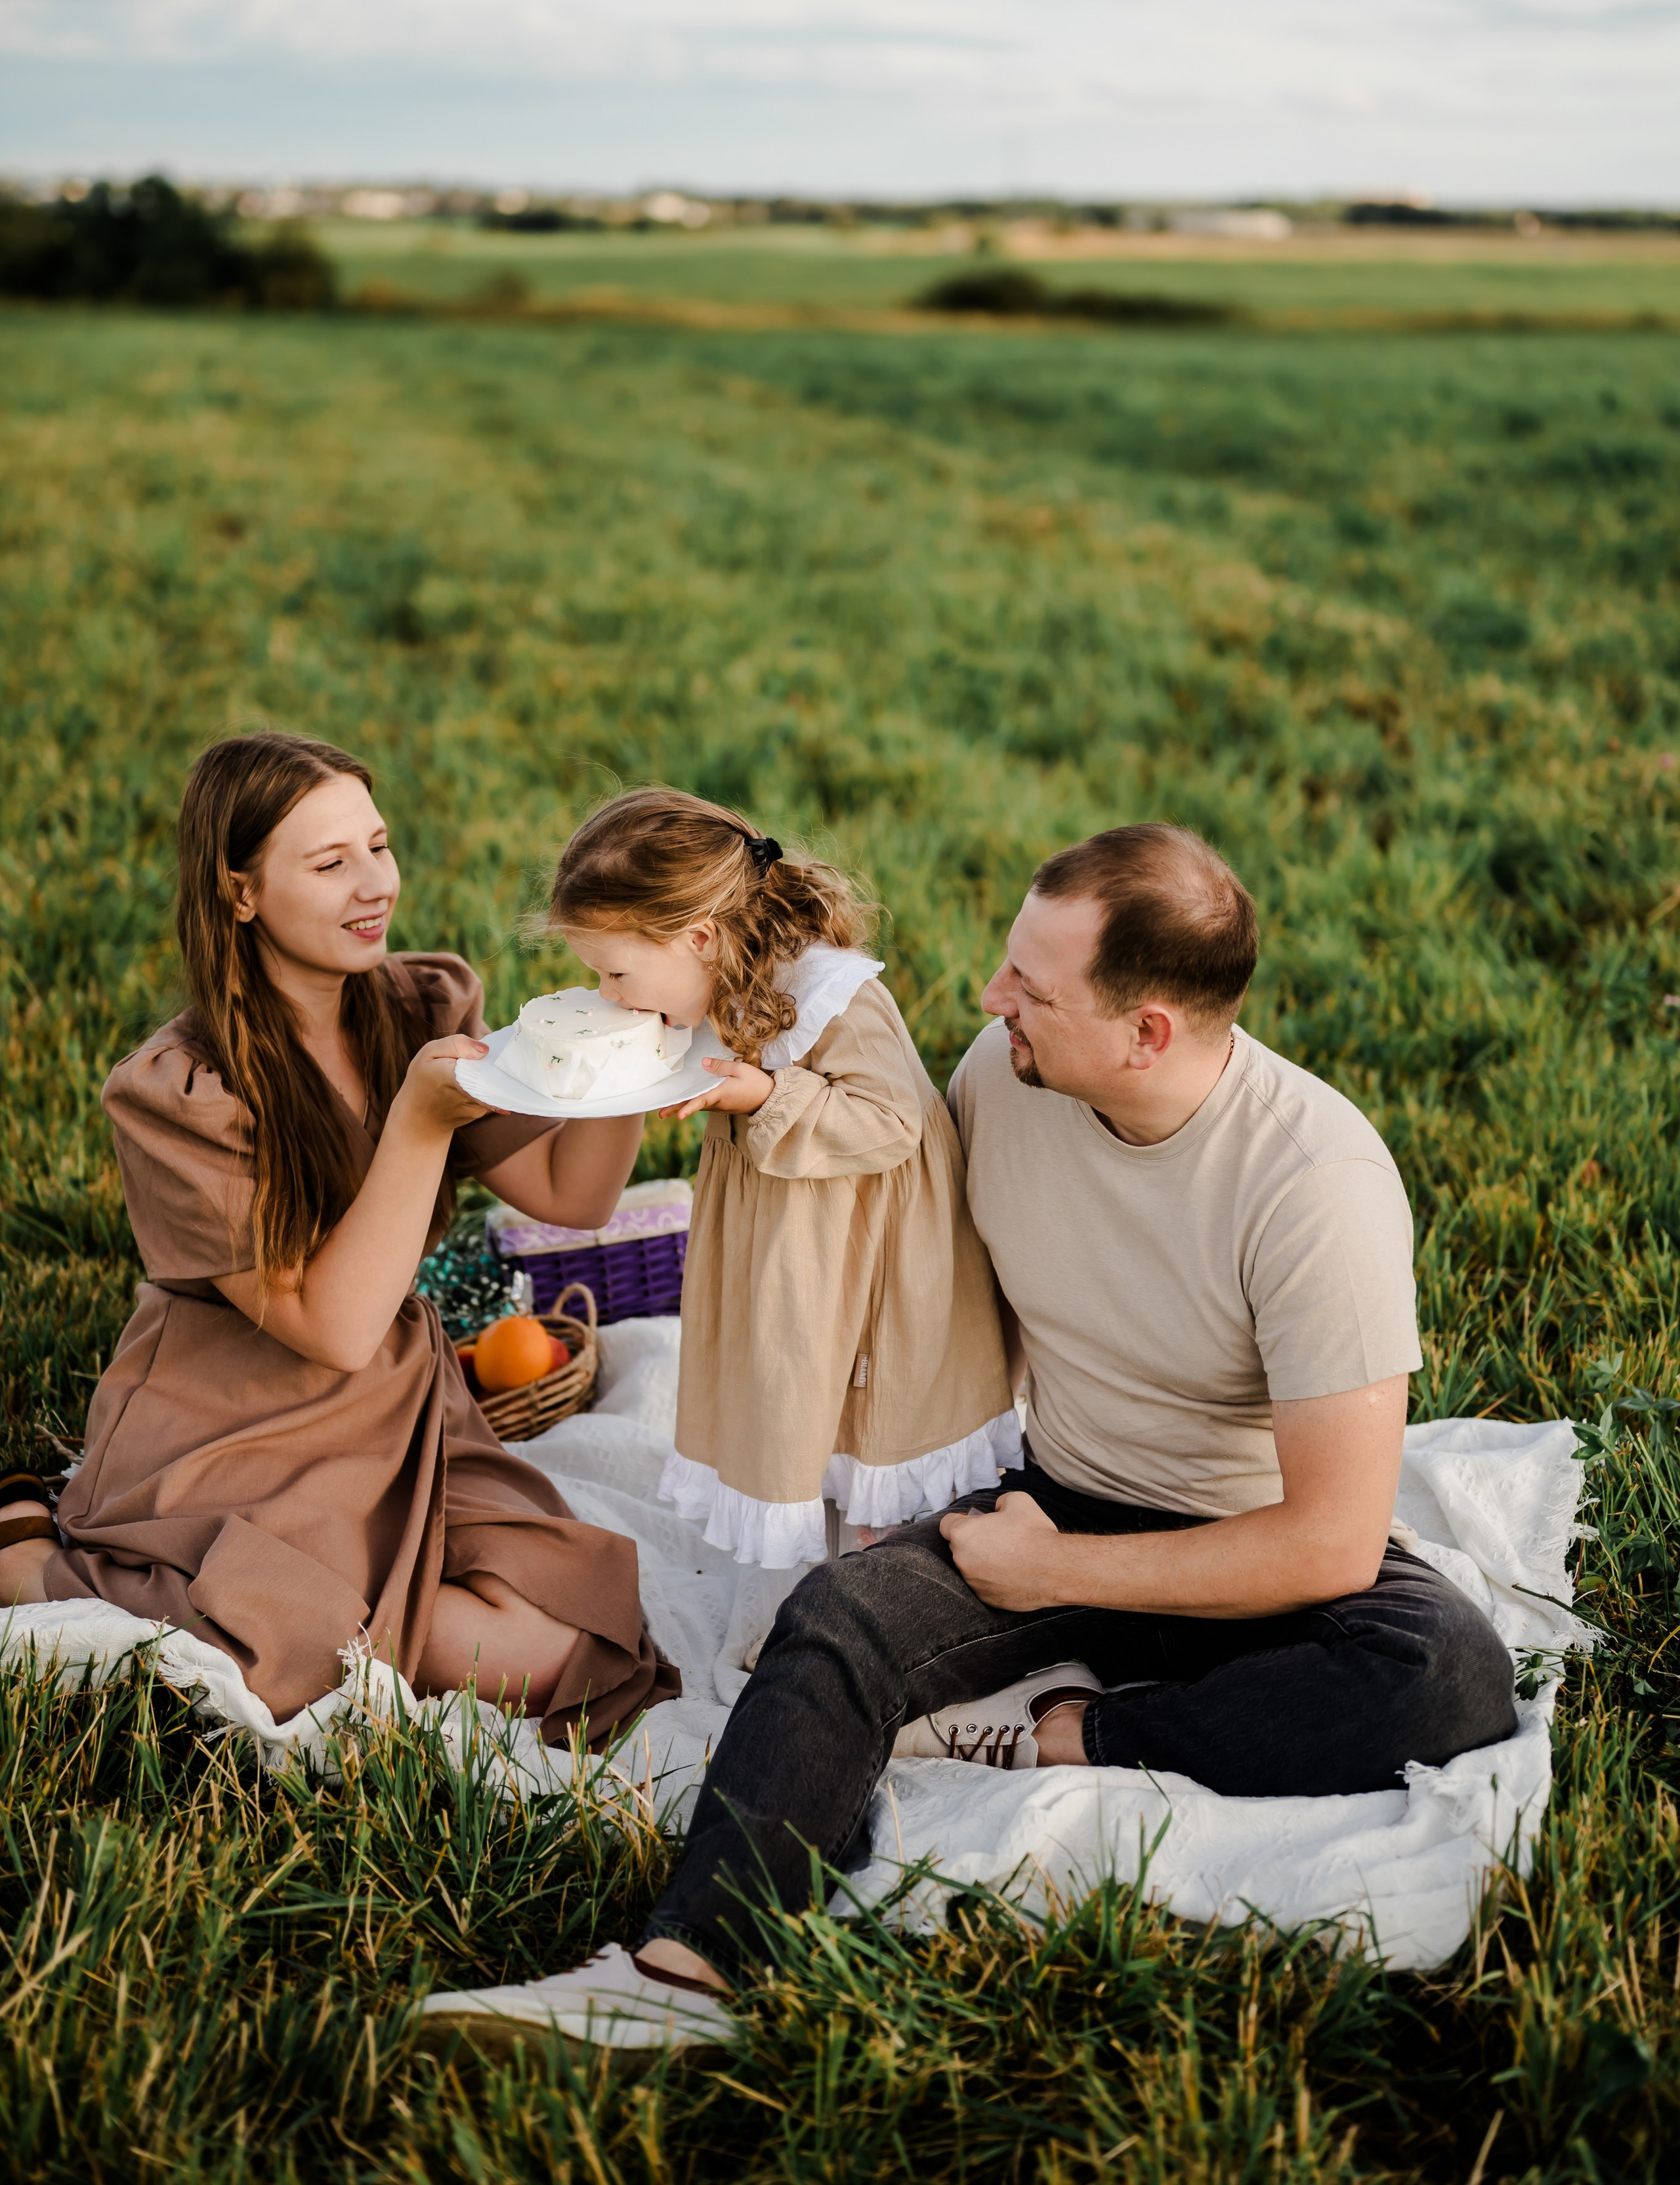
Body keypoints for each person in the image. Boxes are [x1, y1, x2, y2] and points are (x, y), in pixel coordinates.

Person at [421, 820, 1517, 2052]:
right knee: (836, 1617)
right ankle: (682, 1974)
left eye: (1031, 989)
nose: (991, 1000)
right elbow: (895, 1263)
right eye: (1010, 966)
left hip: (1238, 1542)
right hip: (1057, 1489)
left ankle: (1085, 1729)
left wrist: (1053, 1575)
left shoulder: (1317, 1183)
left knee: (1448, 1674)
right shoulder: (1005, 1078)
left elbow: (1327, 1543)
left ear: (1147, 1029)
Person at [0, 731, 678, 1744]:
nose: (374, 885)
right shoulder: (180, 1093)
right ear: (240, 893)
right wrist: (417, 1121)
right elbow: (332, 1327)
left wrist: (637, 1050)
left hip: (398, 1403)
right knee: (295, 1656)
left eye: (379, 845)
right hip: (237, 1416)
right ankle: (26, 1555)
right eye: (328, 864)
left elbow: (568, 1198)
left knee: (568, 1643)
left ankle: (358, 1602)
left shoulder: (420, 1004)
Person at [544, 786, 1018, 1568]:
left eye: (617, 974)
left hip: (864, 1254)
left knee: (850, 1397)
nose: (608, 995)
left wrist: (765, 1095)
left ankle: (884, 1562)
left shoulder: (830, 995)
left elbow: (891, 1122)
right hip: (790, 1235)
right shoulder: (718, 977)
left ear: (698, 937)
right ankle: (818, 1552)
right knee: (786, 1385)